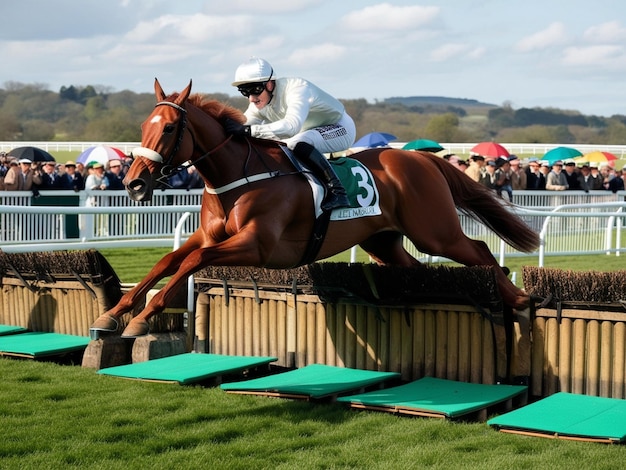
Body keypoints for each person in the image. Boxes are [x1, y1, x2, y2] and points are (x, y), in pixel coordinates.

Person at [225, 57, 355, 211]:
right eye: (245, 92)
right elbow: (242, 125)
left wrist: (249, 131)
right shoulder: (260, 103)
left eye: (255, 90)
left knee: (295, 142)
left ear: (270, 84)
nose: (252, 98)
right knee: (288, 143)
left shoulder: (297, 88)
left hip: (339, 127)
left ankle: (338, 191)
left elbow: (291, 126)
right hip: (309, 133)